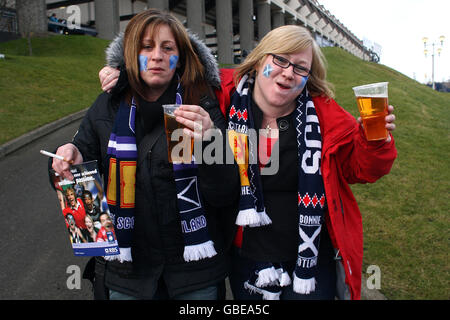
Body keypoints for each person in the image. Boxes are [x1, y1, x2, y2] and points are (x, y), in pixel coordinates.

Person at [98, 25, 397, 300]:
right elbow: (169, 55)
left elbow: (362, 171)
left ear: (309, 76)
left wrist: (375, 141)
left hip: (309, 257)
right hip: (246, 259)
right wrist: (122, 68)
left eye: (300, 67)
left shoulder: (325, 117)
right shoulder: (222, 95)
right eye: (279, 60)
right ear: (258, 60)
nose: (288, 72)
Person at [52, 9, 239, 300]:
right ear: (131, 53)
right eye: (147, 47)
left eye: (168, 48)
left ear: (180, 56)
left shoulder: (200, 104)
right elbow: (76, 179)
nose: (157, 56)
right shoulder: (107, 106)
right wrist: (68, 160)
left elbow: (226, 194)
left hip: (195, 275)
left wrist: (210, 140)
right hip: (126, 275)